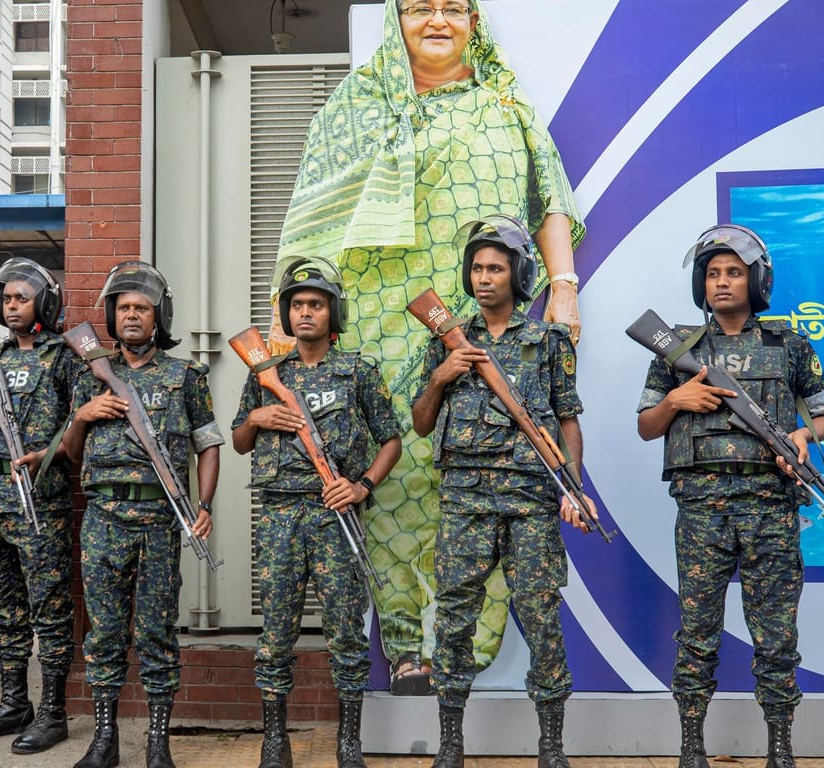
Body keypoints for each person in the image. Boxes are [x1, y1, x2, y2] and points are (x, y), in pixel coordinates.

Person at [272, 0, 587, 695]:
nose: (437, 20)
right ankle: (409, 641)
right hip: (381, 326)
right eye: (420, 8)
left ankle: (467, 641)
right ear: (396, 21)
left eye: (453, 8)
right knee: (398, 473)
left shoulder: (505, 105)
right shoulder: (353, 108)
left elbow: (549, 201)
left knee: (492, 473)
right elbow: (308, 218)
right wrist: (288, 323)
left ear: (474, 23)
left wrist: (562, 288)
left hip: (488, 325)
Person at [636, 225, 824, 768]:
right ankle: (690, 748)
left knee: (776, 635)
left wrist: (800, 436)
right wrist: (678, 397)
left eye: (734, 272)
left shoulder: (789, 344)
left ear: (756, 279)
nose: (722, 282)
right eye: (713, 273)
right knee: (697, 633)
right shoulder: (676, 349)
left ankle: (780, 747)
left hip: (770, 510)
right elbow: (647, 427)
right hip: (702, 513)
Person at [410, 216, 590, 768]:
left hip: (532, 501)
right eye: (478, 268)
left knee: (540, 615)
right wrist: (443, 375)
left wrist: (574, 489)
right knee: (456, 617)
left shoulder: (548, 340)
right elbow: (419, 424)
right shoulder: (444, 340)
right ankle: (450, 743)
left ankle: (552, 745)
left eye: (497, 268)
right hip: (464, 500)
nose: (484, 277)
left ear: (519, 274)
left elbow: (567, 421)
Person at [232, 258, 402, 768]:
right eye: (298, 305)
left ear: (334, 313)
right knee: (276, 633)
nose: (306, 313)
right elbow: (240, 440)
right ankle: (275, 741)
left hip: (336, 518)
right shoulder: (265, 373)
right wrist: (259, 416)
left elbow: (391, 440)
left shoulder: (358, 372)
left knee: (346, 631)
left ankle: (348, 741)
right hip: (280, 515)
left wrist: (362, 486)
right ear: (286, 315)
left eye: (317, 304)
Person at [62, 261, 224, 768]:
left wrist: (203, 505)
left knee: (156, 631)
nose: (132, 315)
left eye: (143, 309)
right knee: (104, 632)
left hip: (159, 520)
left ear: (159, 318)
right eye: (124, 308)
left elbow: (208, 445)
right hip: (104, 519)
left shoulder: (185, 376)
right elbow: (69, 453)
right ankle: (104, 739)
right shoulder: (88, 375)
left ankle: (158, 742)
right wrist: (83, 416)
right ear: (112, 315)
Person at [0, 258, 81, 755]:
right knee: (4, 607)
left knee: (48, 607)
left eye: (21, 298)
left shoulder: (63, 357)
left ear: (44, 304)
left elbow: (80, 428)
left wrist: (48, 453)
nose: (11, 305)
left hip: (37, 499)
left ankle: (52, 712)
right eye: (6, 298)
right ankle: (13, 702)